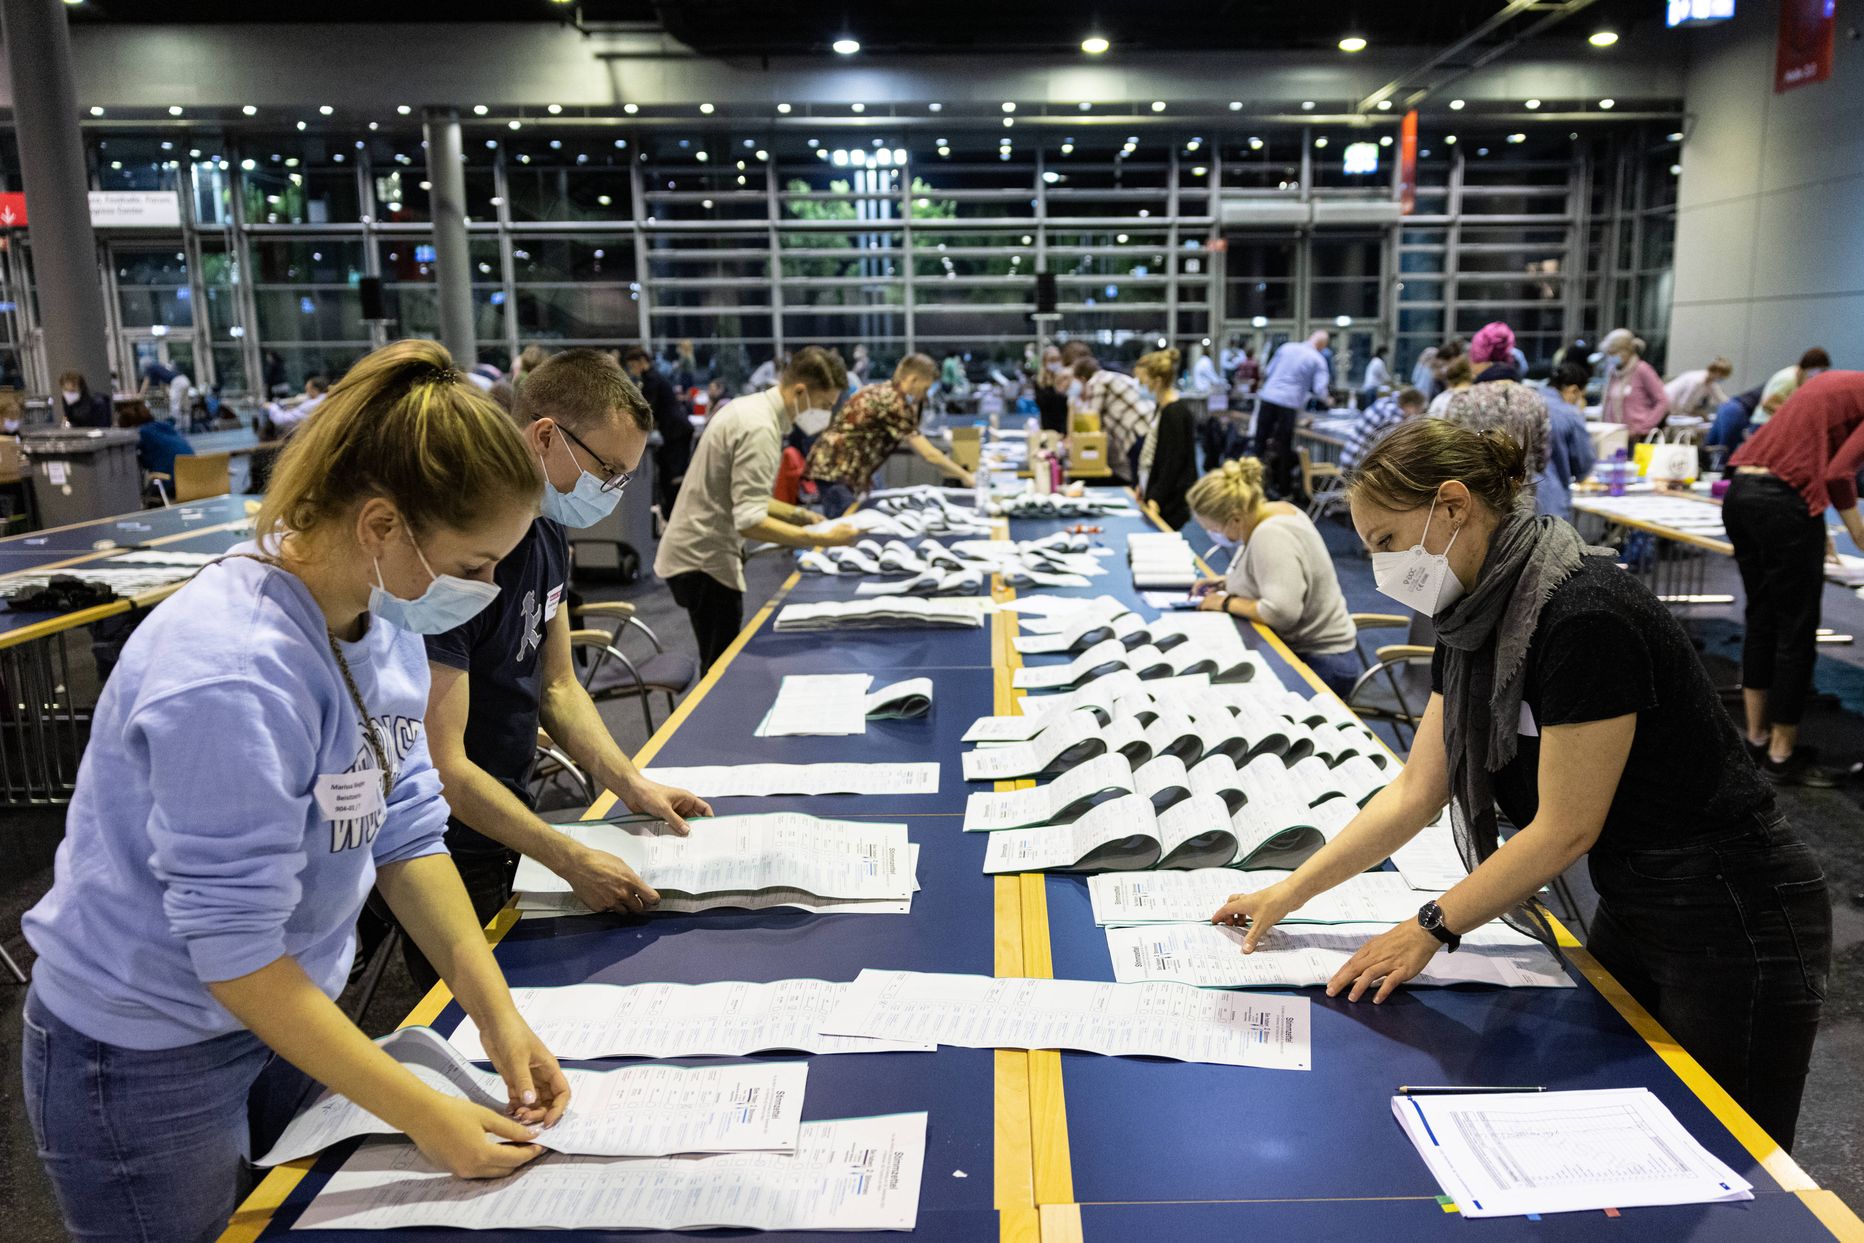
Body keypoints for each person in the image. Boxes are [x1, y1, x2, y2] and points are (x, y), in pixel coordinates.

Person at [20, 341, 574, 1243]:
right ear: (382, 525)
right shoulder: (234, 674)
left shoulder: (379, 615)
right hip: (146, 1045)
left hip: (289, 1011)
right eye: (475, 565)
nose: (485, 591)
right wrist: (423, 1112)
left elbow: (406, 832)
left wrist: (497, 1013)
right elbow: (233, 951)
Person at [1216, 417, 1829, 1149]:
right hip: (1638, 892)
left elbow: (1566, 825)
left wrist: (1428, 928)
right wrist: (1290, 891)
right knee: (1632, 1120)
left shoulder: (1581, 611)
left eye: (1384, 540)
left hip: (1737, 907)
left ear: (1452, 505)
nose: (1378, 562)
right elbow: (1419, 788)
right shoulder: (1471, 616)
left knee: (1732, 1154)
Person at [411, 350, 712, 989]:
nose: (614, 488)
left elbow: (558, 684)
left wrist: (633, 786)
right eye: (607, 469)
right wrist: (569, 855)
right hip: (448, 838)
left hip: (511, 813)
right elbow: (444, 768)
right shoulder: (457, 555)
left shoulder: (547, 533)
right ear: (546, 435)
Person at [655, 346, 859, 671]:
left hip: (692, 553)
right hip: (704, 561)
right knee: (719, 671)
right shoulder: (760, 429)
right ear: (800, 391)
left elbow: (744, 493)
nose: (824, 414)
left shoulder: (748, 409)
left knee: (719, 660)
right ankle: (718, 723)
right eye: (824, 405)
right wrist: (823, 539)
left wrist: (797, 514)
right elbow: (750, 520)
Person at [1725, 370, 1864, 786]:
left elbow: (1817, 460)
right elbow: (1839, 473)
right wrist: (1857, 532)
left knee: (1763, 617)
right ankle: (1782, 756)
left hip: (1741, 494)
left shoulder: (1841, 382)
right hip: (1783, 503)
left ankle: (1756, 738)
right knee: (1796, 631)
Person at [1186, 458, 1358, 695]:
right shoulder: (1273, 511)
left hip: (1322, 663)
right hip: (1316, 653)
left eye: (1214, 529)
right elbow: (1278, 577)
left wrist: (1224, 601)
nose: (1213, 535)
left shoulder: (1271, 534)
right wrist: (1226, 583)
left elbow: (1280, 612)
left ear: (1236, 518)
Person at [803, 354, 973, 516]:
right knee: (843, 530)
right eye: (925, 388)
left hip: (837, 469)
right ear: (913, 379)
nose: (924, 395)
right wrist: (966, 476)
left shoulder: (882, 390)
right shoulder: (893, 403)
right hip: (836, 471)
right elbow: (928, 454)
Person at [1438, 322, 1550, 498]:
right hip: (1522, 505)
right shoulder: (1534, 399)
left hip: (1474, 503)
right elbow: (1542, 459)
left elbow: (1450, 458)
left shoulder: (1464, 399)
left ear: (1477, 359)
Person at [1255, 331, 1332, 500]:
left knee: (1259, 444)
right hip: (1288, 403)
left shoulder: (1286, 347)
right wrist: (1329, 401)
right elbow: (1320, 389)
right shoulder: (1318, 360)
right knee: (1284, 448)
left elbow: (1268, 371)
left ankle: (1253, 485)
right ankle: (1284, 490)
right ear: (1322, 345)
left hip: (1268, 397)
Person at [621, 344, 694, 513]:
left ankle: (676, 513)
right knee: (671, 471)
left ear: (642, 361)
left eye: (633, 366)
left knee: (674, 474)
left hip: (676, 431)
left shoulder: (652, 380)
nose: (632, 370)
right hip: (675, 430)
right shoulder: (652, 378)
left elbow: (647, 408)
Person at [1134, 348, 1198, 530]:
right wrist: (1142, 485)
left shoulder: (1174, 413)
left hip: (1167, 500)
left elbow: (1173, 462)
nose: (1140, 386)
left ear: (1158, 381)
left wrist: (1156, 497)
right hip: (1153, 491)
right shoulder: (1160, 408)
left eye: (1142, 381)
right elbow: (1153, 451)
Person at [1072, 357, 1154, 486]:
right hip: (1149, 426)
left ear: (1082, 379)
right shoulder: (1113, 376)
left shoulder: (1096, 381)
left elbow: (1091, 420)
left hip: (1138, 432)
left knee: (1140, 483)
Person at [1540, 362, 1600, 521]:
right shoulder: (1570, 414)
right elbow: (1583, 466)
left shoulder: (1525, 402)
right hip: (1550, 502)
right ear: (1574, 390)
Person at [1341, 386, 1426, 475]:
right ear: (1410, 406)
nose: (1416, 415)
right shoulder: (1394, 415)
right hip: (1356, 465)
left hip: (1348, 457)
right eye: (1418, 411)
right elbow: (1393, 448)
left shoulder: (1387, 401)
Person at [1598, 329, 1669, 435]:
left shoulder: (1642, 369)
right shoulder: (1612, 372)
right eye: (1609, 354)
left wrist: (1644, 427)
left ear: (1625, 351)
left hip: (1636, 435)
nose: (1611, 358)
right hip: (1613, 433)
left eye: (1613, 353)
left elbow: (1662, 401)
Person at [117, 397, 196, 482]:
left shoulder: (141, 433)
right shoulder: (165, 426)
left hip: (174, 483)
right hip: (194, 480)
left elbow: (128, 453)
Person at [1757, 348, 1832, 423]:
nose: (1823, 374)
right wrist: (1793, 414)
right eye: (1822, 370)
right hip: (1763, 423)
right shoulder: (1790, 379)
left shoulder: (1800, 377)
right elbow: (1767, 404)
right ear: (1812, 367)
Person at [1707, 384, 1771, 457]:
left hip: (1727, 405)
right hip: (1736, 411)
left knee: (1710, 448)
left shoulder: (1769, 385)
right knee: (1725, 454)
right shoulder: (1775, 392)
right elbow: (1763, 413)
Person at [1664, 357, 1733, 420]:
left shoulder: (1710, 383)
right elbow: (1684, 406)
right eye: (1722, 376)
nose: (1722, 379)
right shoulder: (1697, 380)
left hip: (1675, 410)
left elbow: (1722, 399)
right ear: (1717, 372)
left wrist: (1734, 407)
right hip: (1667, 407)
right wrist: (1697, 414)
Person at [1033, 344, 1070, 436]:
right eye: (1052, 360)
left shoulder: (1066, 378)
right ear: (1045, 362)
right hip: (1047, 426)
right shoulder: (1038, 381)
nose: (1055, 363)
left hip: (1065, 426)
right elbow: (1042, 403)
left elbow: (1067, 403)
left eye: (1058, 359)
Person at [1358, 345, 1392, 410]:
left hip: (1369, 387)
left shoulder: (1374, 361)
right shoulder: (1378, 362)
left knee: (1369, 408)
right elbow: (1384, 375)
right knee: (1371, 409)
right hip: (1372, 388)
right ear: (1383, 353)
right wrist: (1390, 381)